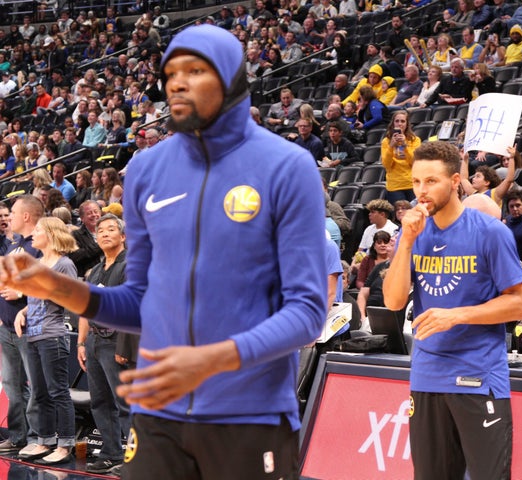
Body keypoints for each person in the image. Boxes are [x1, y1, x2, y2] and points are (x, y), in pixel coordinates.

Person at [0, 25, 327, 480]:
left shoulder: (287, 167)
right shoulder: (147, 171)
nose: (176, 81)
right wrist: (56, 286)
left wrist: (213, 358)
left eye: (195, 70)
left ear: (232, 79)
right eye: (171, 72)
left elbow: (309, 311)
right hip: (157, 413)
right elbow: (141, 300)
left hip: (248, 414)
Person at [383, 141, 522, 480]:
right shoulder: (414, 234)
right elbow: (392, 302)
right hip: (426, 376)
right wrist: (405, 242)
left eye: (431, 181)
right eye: (417, 182)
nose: (422, 191)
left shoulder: (490, 232)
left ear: (454, 182)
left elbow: (519, 303)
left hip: (477, 378)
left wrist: (458, 314)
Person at [76, 214, 138, 474]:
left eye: (111, 229)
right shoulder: (95, 270)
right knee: (100, 402)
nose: (104, 233)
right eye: (100, 230)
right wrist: (81, 343)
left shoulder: (130, 267)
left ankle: (135, 460)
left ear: (123, 236)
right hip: (93, 342)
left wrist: (124, 347)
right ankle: (112, 452)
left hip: (117, 343)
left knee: (125, 405)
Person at [14, 217, 77, 465]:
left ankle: (66, 443)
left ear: (51, 234)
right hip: (34, 334)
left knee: (58, 391)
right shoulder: (38, 263)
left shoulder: (65, 264)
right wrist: (22, 312)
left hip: (53, 335)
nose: (33, 234)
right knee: (40, 392)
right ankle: (45, 439)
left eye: (38, 230)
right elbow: (35, 301)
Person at [0, 195, 43, 454]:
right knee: (11, 384)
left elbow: (50, 282)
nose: (9, 218)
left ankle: (39, 436)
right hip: (6, 325)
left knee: (35, 385)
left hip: (30, 326)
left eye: (13, 213)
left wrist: (22, 293)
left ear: (26, 216)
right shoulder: (13, 245)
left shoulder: (38, 245)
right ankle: (18, 436)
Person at [381, 110, 421, 203]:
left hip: (412, 183)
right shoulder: (386, 141)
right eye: (397, 121)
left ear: (407, 124)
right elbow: (386, 165)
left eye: (403, 121)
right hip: (395, 185)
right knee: (400, 215)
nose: (399, 124)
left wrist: (405, 145)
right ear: (393, 123)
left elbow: (415, 162)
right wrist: (391, 146)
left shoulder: (415, 140)